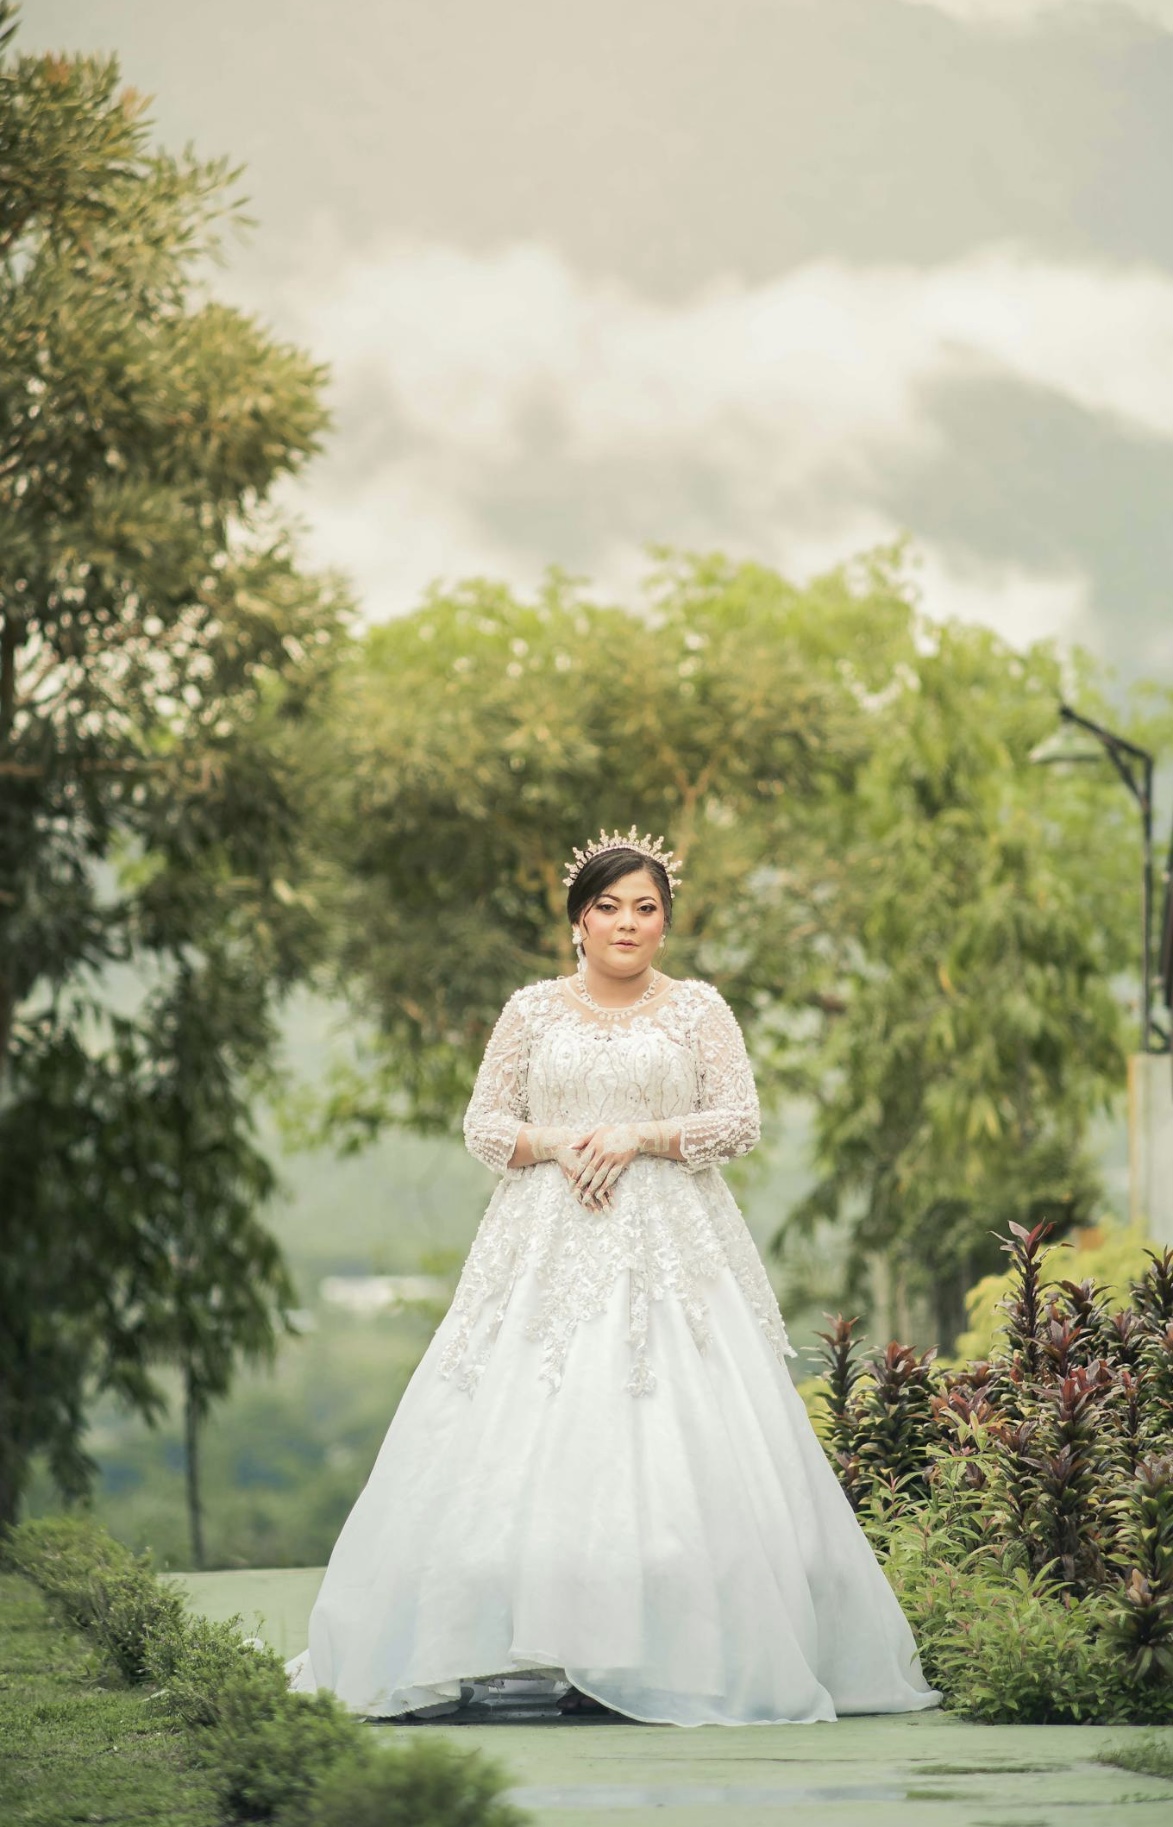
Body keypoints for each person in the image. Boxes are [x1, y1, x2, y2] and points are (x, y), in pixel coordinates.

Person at [287, 828, 938, 1726]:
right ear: (576, 922)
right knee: (524, 1425)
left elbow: (738, 1122)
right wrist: (565, 1143)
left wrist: (640, 1136)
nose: (626, 923)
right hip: (543, 1244)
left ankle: (670, 1652)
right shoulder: (530, 1012)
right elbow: (484, 1128)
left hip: (673, 1241)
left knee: (674, 1434)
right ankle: (518, 1645)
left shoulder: (699, 1008)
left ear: (665, 925)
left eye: (646, 908)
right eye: (608, 906)